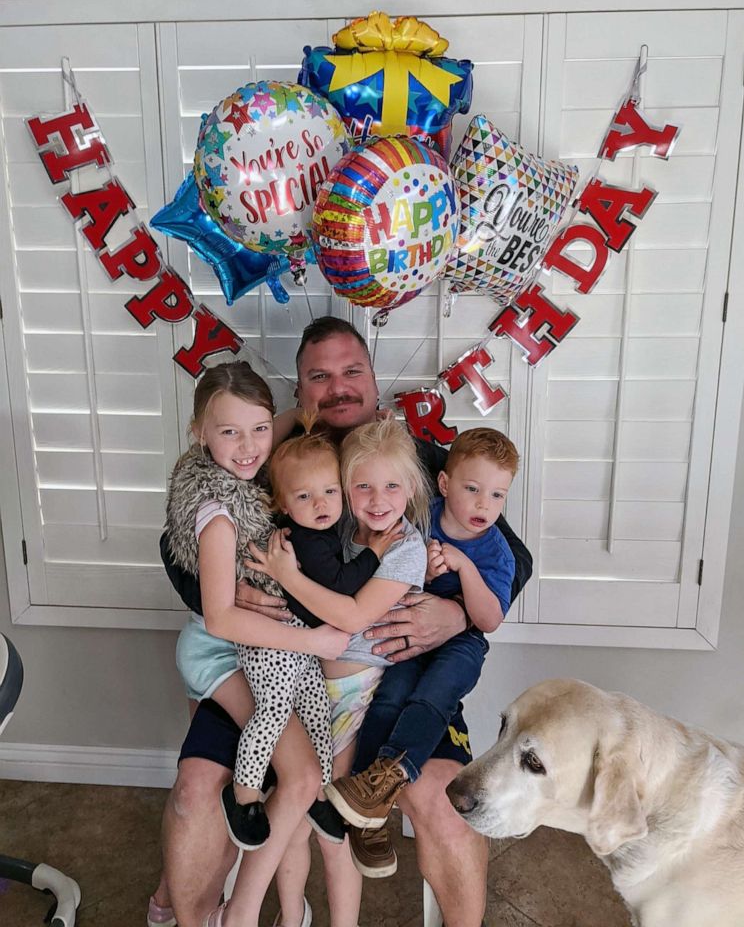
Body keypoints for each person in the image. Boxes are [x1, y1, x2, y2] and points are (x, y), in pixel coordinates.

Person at [155, 317, 533, 927]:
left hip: (398, 675)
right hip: (276, 663)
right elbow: (177, 543)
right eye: (319, 376)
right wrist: (220, 599)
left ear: (374, 379)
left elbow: (514, 557)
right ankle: (191, 909)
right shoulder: (263, 457)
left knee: (439, 797)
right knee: (199, 790)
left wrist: (457, 612)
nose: (338, 387)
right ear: (300, 390)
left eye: (351, 371)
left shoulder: (422, 460)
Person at [161, 360, 351, 927]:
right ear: (199, 432)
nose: (248, 448)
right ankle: (238, 913)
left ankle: (258, 905)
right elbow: (220, 618)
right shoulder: (218, 510)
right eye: (229, 432)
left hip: (262, 646)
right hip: (221, 650)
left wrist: (301, 414)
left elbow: (279, 421)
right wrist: (316, 635)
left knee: (304, 767)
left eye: (260, 429)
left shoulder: (253, 460)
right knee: (299, 775)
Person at [324, 427, 519, 875]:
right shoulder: (419, 517)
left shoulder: (496, 552)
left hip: (461, 646)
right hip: (404, 639)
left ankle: (391, 777)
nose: (483, 505)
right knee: (390, 699)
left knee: (431, 698)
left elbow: (489, 621)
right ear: (445, 485)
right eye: (472, 490)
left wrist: (462, 566)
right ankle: (365, 799)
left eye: (496, 496)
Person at [250, 418, 431, 883]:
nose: (377, 500)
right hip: (306, 674)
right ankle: (289, 908)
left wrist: (287, 576)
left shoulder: (405, 547)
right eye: (361, 486)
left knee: (331, 815)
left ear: (411, 486)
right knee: (296, 800)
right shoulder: (334, 518)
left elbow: (350, 617)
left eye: (391, 485)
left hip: (353, 688)